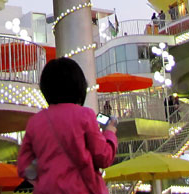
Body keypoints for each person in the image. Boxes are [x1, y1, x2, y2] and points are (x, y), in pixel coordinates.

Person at [17, 57, 117, 194]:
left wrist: (47, 172)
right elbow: (103, 157)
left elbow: (24, 167)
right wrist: (110, 133)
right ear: (79, 86)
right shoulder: (85, 115)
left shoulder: (35, 122)